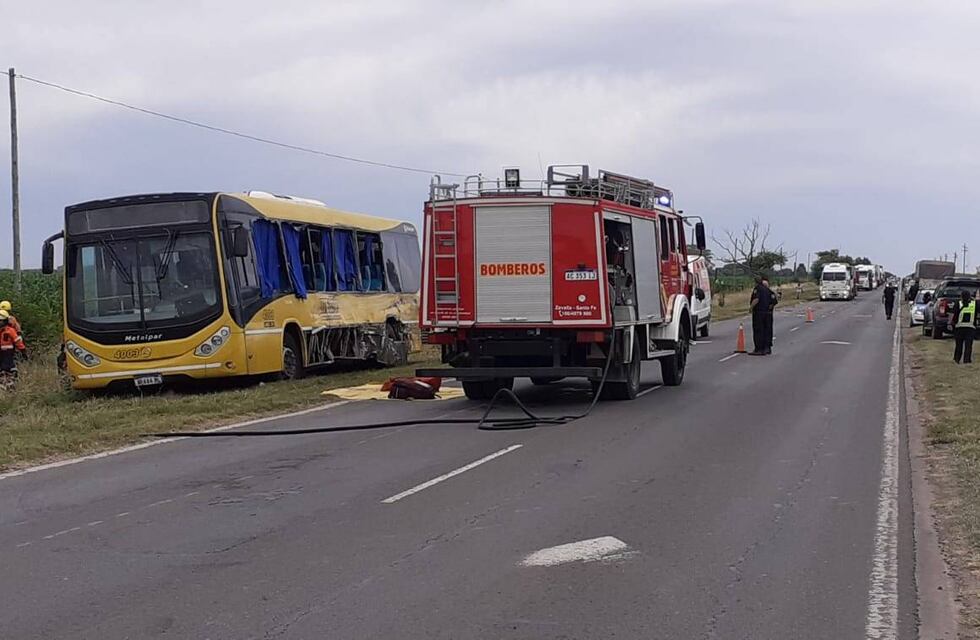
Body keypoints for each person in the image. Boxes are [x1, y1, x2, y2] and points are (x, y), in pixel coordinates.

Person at [949, 290, 978, 364]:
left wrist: (950, 323)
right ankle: (967, 360)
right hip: (970, 327)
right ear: (969, 297)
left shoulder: (958, 303)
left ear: (961, 296)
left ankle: (957, 359)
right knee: (968, 345)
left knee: (959, 345)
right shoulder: (975, 304)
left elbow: (952, 314)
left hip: (959, 327)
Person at [749, 277, 775, 355]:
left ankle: (759, 349)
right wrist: (768, 308)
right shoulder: (768, 291)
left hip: (759, 313)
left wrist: (750, 308)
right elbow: (774, 301)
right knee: (767, 330)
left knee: (758, 330)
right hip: (768, 314)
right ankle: (767, 348)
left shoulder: (758, 289)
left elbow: (756, 299)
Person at [0, 309, 26, 380]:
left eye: (1, 321)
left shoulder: (10, 330)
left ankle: (9, 381)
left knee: (5, 368)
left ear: (5, 321)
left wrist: (23, 350)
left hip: (8, 352)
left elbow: (17, 341)